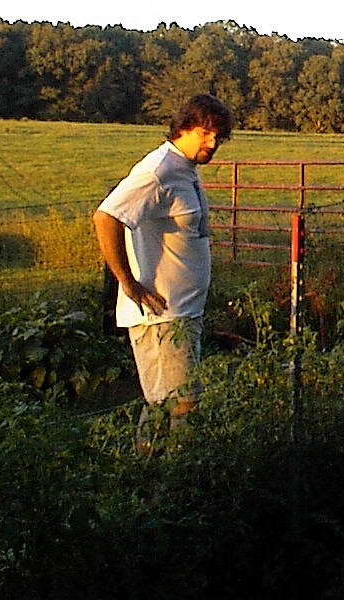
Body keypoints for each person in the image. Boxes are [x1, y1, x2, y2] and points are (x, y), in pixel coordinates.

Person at [93, 93, 233, 445]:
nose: (213, 143)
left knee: (165, 405)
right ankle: (172, 472)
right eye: (205, 133)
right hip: (161, 318)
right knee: (182, 406)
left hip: (182, 313)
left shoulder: (184, 169)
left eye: (218, 136)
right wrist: (128, 282)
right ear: (183, 128)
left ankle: (151, 469)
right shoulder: (158, 171)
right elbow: (106, 217)